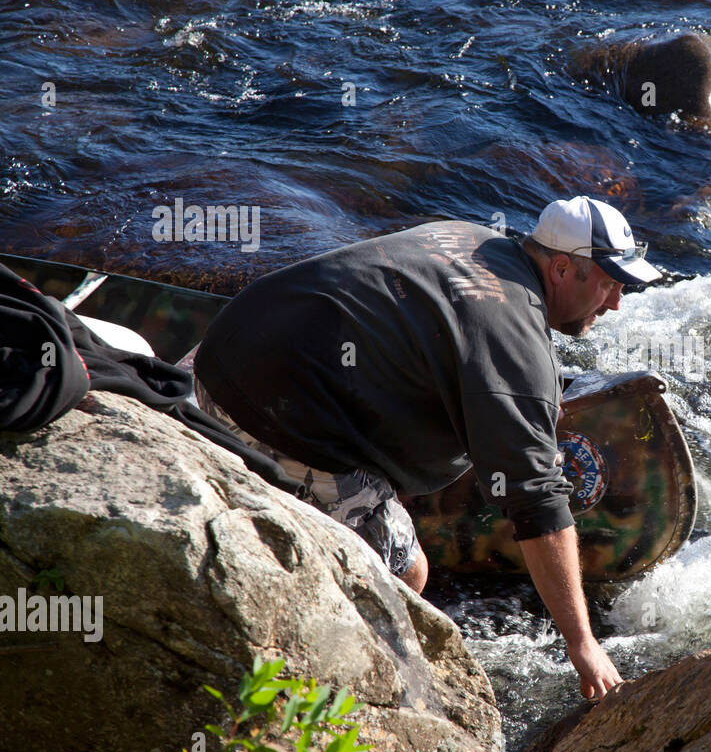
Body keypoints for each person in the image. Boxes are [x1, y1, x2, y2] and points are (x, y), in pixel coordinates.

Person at [189, 196, 663, 700]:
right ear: (563, 268)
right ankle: (306, 686)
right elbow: (536, 501)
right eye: (610, 284)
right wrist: (582, 642)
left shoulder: (471, 235)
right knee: (408, 572)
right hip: (267, 413)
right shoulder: (514, 342)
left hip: (214, 355)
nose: (617, 303)